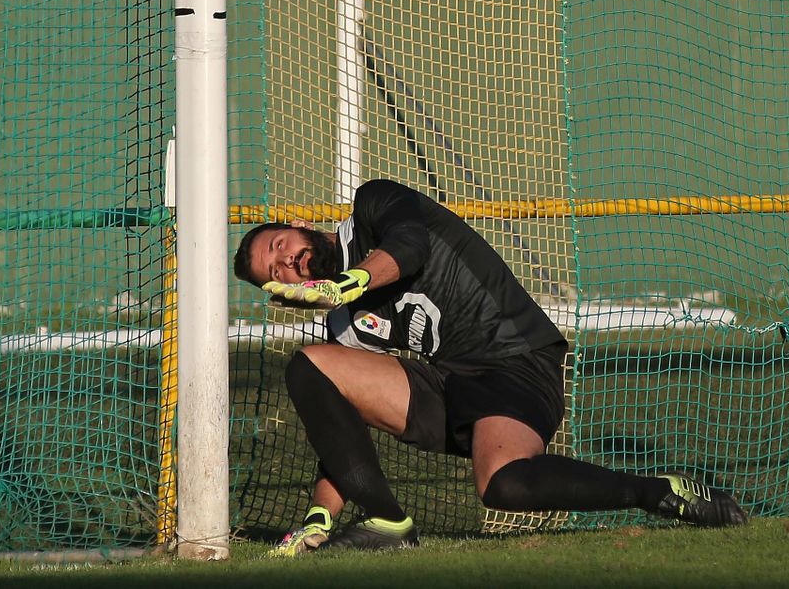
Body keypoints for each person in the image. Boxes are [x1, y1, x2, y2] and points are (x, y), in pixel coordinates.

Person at [233, 177, 747, 555]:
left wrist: (349, 283)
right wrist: (319, 517)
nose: (288, 262)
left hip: (515, 359)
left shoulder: (373, 205)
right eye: (275, 271)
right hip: (447, 381)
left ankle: (657, 491)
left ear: (301, 227)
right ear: (282, 294)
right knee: (312, 367)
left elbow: (410, 247)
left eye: (281, 246)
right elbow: (338, 433)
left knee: (503, 486)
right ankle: (388, 522)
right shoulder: (344, 326)